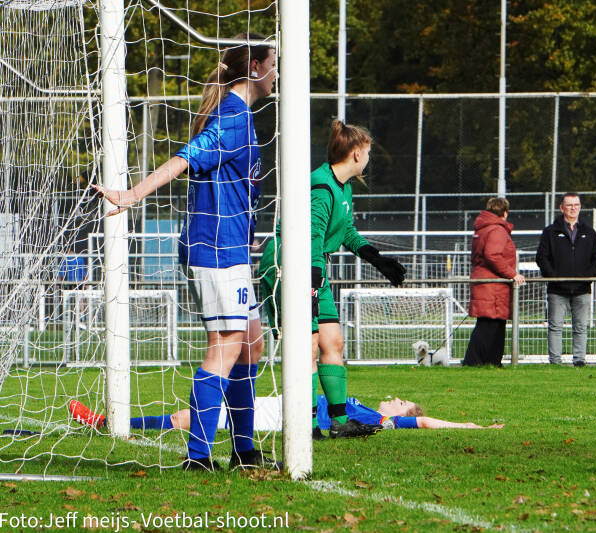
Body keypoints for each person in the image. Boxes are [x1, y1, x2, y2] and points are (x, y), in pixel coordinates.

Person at [93, 34, 277, 471]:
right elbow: (183, 158)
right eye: (274, 63)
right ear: (254, 68)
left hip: (230, 247)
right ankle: (198, 457)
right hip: (215, 251)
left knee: (252, 343)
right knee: (226, 346)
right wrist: (132, 194)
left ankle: (244, 449)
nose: (277, 72)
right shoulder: (231, 117)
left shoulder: (242, 117)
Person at [258, 120, 406, 440]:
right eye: (367, 152)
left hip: (312, 269)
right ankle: (307, 424)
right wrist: (309, 287)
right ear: (355, 154)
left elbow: (346, 232)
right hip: (290, 266)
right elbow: (308, 239)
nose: (369, 158)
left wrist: (376, 259)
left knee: (332, 343)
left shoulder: (343, 187)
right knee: (307, 345)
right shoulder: (321, 187)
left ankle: (339, 422)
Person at [69, 397, 504, 432]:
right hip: (281, 403)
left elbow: (427, 422)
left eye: (401, 401)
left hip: (276, 418)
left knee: (190, 417)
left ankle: (107, 424)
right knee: (192, 413)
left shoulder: (379, 421)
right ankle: (111, 423)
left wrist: (474, 426)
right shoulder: (362, 408)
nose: (393, 400)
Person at [536, 193, 596, 367]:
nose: (573, 208)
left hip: (582, 289)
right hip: (557, 290)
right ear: (561, 208)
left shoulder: (589, 232)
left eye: (576, 205)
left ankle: (579, 360)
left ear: (580, 207)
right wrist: (555, 277)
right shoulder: (550, 232)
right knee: (555, 327)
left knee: (580, 327)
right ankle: (555, 362)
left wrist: (589, 276)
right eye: (569, 205)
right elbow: (542, 257)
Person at [462, 197, 525, 367]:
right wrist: (512, 274)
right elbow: (492, 255)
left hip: (485, 282)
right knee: (489, 325)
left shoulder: (481, 229)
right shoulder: (497, 230)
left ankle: (491, 361)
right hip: (493, 285)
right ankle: (475, 361)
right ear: (505, 213)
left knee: (493, 324)